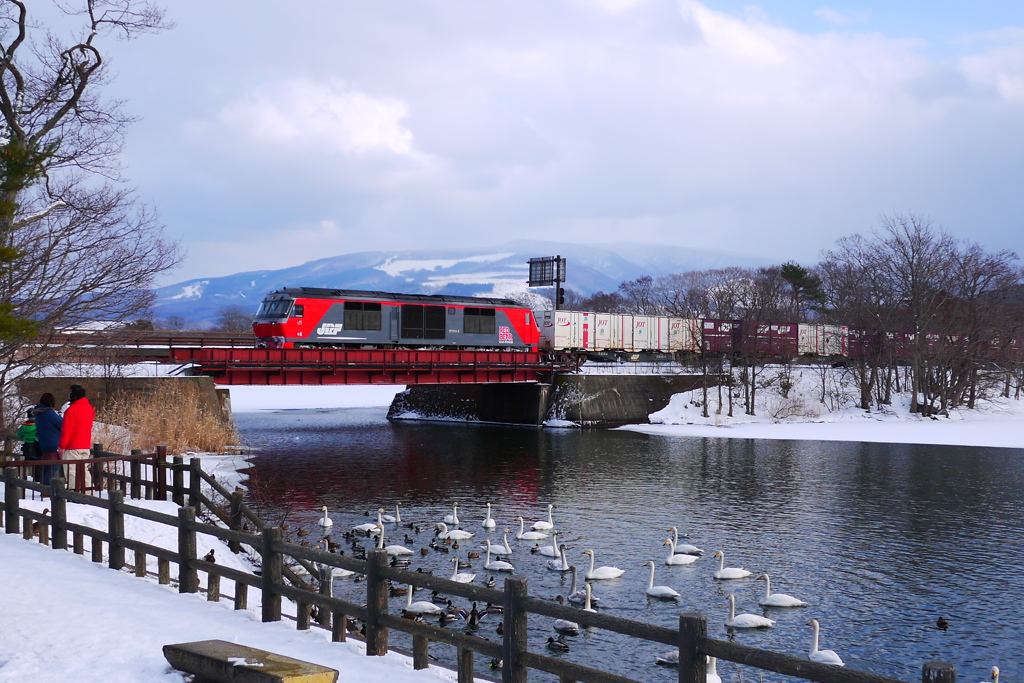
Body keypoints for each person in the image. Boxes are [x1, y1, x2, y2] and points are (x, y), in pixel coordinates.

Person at [59, 384, 94, 491]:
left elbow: (67, 430)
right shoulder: (89, 408)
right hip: (85, 445)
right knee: (84, 471)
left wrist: (61, 447)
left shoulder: (72, 410)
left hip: (72, 446)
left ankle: (75, 494)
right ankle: (88, 493)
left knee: (72, 471)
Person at [33, 393, 63, 485]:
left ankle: (44, 487)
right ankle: (48, 489)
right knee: (53, 468)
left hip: (43, 443)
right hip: (53, 443)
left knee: (46, 467)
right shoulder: (49, 413)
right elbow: (62, 423)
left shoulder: (38, 413)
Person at [16, 409, 41, 480]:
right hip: (36, 445)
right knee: (38, 462)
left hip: (27, 445)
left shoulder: (24, 425)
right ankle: (37, 478)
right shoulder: (38, 424)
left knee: (25, 462)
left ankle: (23, 478)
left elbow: (19, 435)